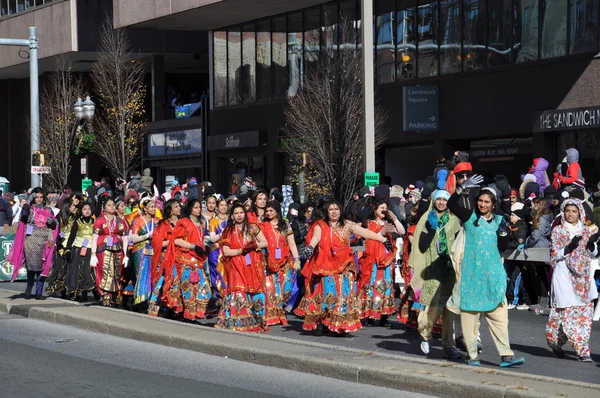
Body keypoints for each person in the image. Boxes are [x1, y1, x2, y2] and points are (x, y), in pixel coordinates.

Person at [447, 176, 525, 368]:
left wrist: (504, 233)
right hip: (471, 275)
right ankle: (472, 355)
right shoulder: (469, 217)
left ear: (493, 204)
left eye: (486, 202)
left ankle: (506, 355)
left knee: (499, 317)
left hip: (493, 275)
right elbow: (451, 204)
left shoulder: (500, 220)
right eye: (480, 201)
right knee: (469, 319)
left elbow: (503, 246)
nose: (482, 204)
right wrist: (462, 188)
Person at [296, 200, 393, 335]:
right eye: (331, 209)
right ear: (326, 212)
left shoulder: (347, 224)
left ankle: (339, 324)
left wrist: (383, 240)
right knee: (327, 295)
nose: (334, 212)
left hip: (344, 267)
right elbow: (316, 237)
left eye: (337, 209)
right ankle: (322, 322)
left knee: (343, 295)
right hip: (326, 266)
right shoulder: (321, 225)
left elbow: (366, 233)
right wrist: (311, 247)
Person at [409, 190, 462, 359]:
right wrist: (431, 229)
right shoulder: (427, 219)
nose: (441, 202)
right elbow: (422, 246)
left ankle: (449, 345)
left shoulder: (454, 221)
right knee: (433, 306)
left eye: (444, 200)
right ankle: (425, 335)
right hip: (432, 269)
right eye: (438, 199)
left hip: (450, 269)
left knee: (450, 310)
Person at [547, 199, 599, 362]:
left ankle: (583, 350)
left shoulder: (586, 230)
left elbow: (593, 253)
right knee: (564, 314)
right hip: (564, 276)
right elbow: (555, 255)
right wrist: (570, 247)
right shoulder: (558, 231)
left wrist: (591, 245)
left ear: (580, 213)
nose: (570, 214)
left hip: (583, 279)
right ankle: (556, 341)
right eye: (567, 211)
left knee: (582, 314)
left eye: (574, 211)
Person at [215, 202, 269, 332]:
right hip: (236, 266)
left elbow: (265, 242)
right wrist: (241, 250)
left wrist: (255, 246)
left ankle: (257, 319)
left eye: (241, 213)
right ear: (232, 216)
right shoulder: (228, 231)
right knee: (239, 290)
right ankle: (238, 320)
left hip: (252, 266)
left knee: (256, 291)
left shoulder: (253, 228)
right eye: (236, 213)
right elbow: (226, 251)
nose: (239, 215)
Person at [358, 198, 405, 325]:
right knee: (372, 285)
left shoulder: (388, 223)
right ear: (375, 210)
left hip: (386, 260)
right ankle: (369, 314)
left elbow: (402, 231)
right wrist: (382, 231)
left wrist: (395, 218)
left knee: (384, 286)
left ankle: (383, 314)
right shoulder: (368, 223)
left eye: (385, 208)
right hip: (372, 260)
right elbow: (369, 239)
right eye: (381, 208)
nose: (384, 210)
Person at [166, 199, 214, 321]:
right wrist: (193, 246)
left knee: (205, 290)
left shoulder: (202, 223)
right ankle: (188, 317)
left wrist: (205, 247)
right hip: (185, 261)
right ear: (190, 209)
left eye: (200, 207)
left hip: (198, 261)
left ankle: (192, 315)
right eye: (196, 207)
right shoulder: (184, 222)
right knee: (189, 289)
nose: (199, 209)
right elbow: (176, 240)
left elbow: (202, 239)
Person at [8, 188, 58, 299]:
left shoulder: (48, 209)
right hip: (30, 241)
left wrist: (52, 222)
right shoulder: (29, 209)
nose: (39, 199)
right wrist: (29, 200)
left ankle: (39, 292)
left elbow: (55, 225)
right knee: (31, 266)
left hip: (45, 241)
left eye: (41, 197)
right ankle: (29, 287)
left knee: (43, 266)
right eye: (37, 197)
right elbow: (24, 214)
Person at [261, 201, 301, 326]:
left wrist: (297, 259)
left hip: (285, 264)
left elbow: (292, 244)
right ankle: (273, 316)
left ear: (277, 211)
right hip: (269, 263)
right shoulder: (262, 226)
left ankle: (279, 311)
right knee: (271, 291)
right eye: (267, 211)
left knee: (286, 291)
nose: (268, 213)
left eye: (271, 210)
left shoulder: (286, 225)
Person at [90, 197, 129, 307]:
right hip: (104, 250)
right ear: (104, 208)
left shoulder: (120, 222)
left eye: (113, 205)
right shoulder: (100, 221)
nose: (112, 207)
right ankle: (105, 295)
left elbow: (125, 238)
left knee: (116, 272)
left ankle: (114, 295)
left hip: (118, 251)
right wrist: (93, 254)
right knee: (105, 272)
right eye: (109, 205)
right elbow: (94, 238)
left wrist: (126, 255)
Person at [147, 199, 181, 316]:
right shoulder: (162, 225)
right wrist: (173, 242)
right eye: (176, 206)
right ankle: (155, 306)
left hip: (178, 258)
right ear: (170, 211)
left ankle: (174, 308)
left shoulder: (183, 223)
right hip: (164, 259)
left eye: (179, 206)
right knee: (161, 282)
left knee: (177, 282)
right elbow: (157, 244)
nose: (179, 208)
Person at [127, 194, 159, 307]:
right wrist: (147, 236)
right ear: (145, 208)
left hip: (154, 250)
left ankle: (152, 300)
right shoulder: (138, 221)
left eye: (155, 207)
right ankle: (141, 301)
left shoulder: (158, 221)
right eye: (151, 207)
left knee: (153, 275)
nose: (154, 209)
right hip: (140, 250)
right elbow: (132, 238)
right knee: (141, 275)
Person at [64, 201, 96, 301]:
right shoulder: (77, 222)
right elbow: (72, 237)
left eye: (89, 209)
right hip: (78, 248)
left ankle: (87, 292)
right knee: (76, 271)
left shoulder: (95, 222)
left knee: (88, 271)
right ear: (81, 211)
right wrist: (68, 249)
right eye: (84, 209)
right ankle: (75, 292)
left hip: (91, 250)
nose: (87, 211)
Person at [46, 200, 77, 298]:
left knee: (69, 269)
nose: (74, 208)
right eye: (72, 206)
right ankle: (56, 288)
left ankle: (67, 289)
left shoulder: (74, 218)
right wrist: (59, 246)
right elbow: (56, 233)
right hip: (61, 245)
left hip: (72, 245)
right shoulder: (59, 218)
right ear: (67, 207)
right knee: (59, 268)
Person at [505, 203, 531, 310]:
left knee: (516, 279)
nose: (511, 217)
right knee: (516, 279)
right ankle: (524, 300)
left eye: (513, 215)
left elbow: (518, 242)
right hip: (513, 258)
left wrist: (506, 246)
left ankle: (513, 300)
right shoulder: (512, 226)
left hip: (521, 259)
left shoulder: (520, 227)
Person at [207, 197, 229, 305]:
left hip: (228, 250)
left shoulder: (230, 220)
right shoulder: (213, 221)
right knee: (217, 275)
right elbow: (212, 238)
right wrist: (223, 233)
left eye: (225, 205)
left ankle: (227, 297)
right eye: (221, 205)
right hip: (216, 252)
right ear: (217, 207)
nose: (223, 207)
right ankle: (219, 297)